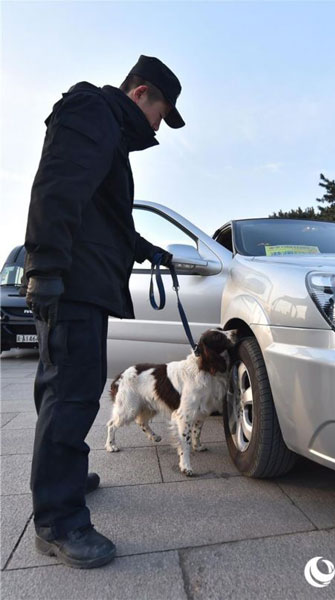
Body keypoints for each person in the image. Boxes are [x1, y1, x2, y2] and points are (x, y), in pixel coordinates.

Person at [20, 55, 185, 569]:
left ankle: (64, 480)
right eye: (161, 112)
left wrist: (145, 249)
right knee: (69, 395)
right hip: (71, 285)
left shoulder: (106, 128)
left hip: (81, 282)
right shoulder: (92, 110)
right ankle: (58, 521)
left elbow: (104, 215)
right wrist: (45, 268)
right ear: (141, 95)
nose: (159, 126)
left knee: (67, 389)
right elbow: (57, 185)